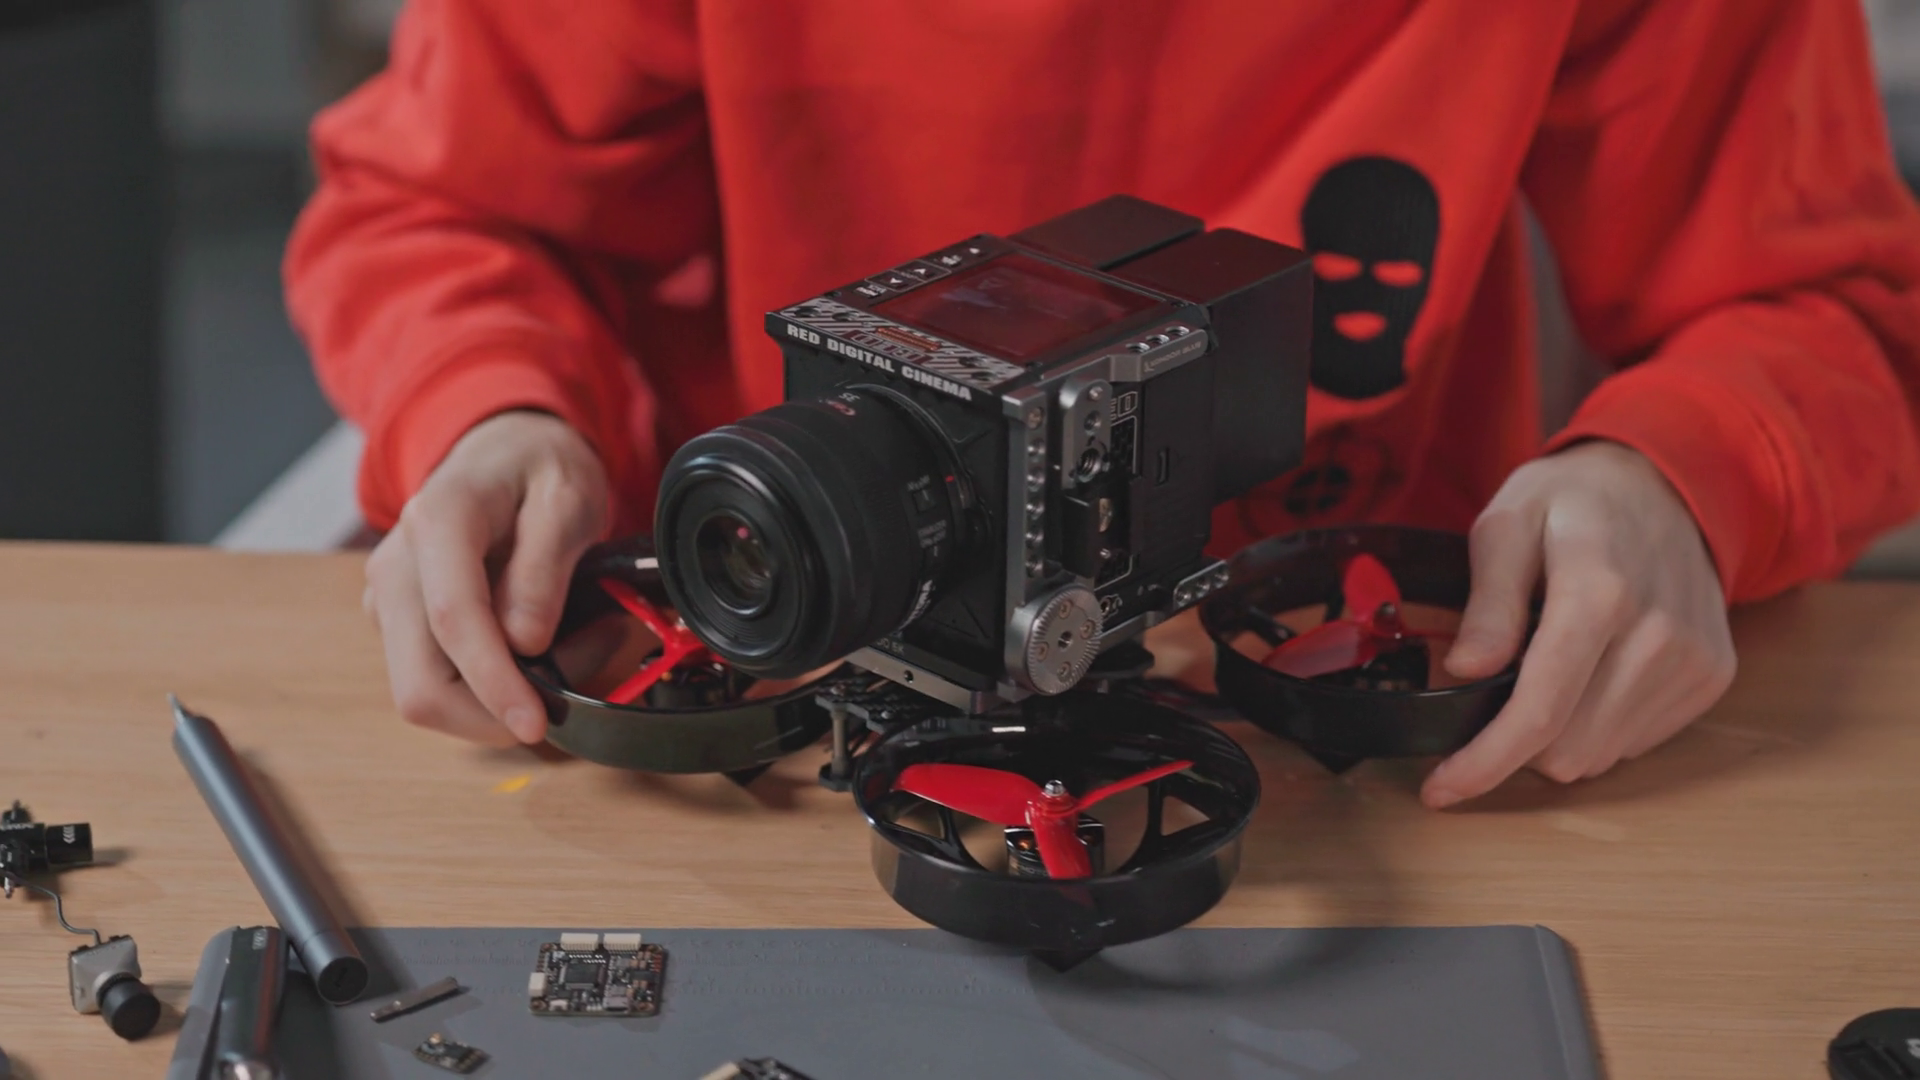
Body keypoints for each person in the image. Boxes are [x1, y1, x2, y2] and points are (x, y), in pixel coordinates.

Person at [283, 0, 1920, 809]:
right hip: (782, 709)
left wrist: (1677, 470)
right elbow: (438, 211)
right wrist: (495, 411)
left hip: (1372, 735)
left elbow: (1836, 304)